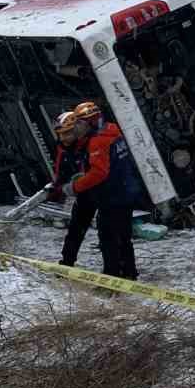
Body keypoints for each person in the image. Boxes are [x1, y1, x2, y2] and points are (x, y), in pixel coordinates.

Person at [57, 100, 144, 280]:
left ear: (89, 123)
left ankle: (112, 278)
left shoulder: (98, 141)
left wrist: (74, 187)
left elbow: (99, 173)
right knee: (122, 236)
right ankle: (129, 274)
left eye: (78, 124)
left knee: (109, 238)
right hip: (123, 189)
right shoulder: (112, 130)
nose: (76, 129)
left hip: (111, 194)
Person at [51, 111, 91, 268]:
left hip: (102, 190)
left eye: (67, 134)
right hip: (82, 192)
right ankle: (66, 262)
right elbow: (60, 170)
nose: (63, 138)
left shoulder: (91, 143)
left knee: (109, 231)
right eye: (61, 134)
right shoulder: (63, 148)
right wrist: (58, 187)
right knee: (75, 228)